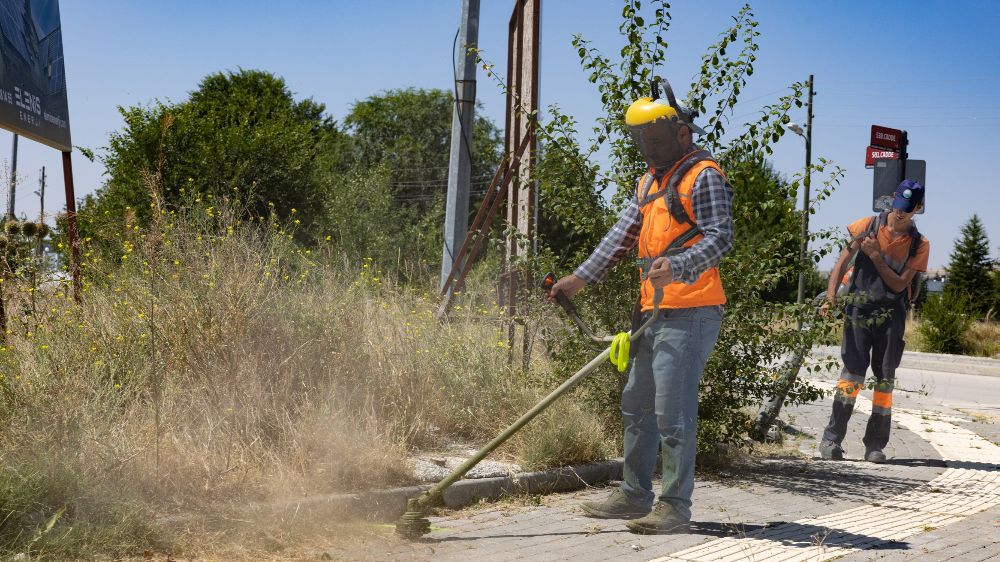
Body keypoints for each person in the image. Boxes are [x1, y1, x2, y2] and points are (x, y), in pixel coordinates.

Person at [548, 79, 733, 535]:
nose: (646, 148)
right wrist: (578, 280)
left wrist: (681, 265)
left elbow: (720, 237)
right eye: (641, 140)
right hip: (652, 312)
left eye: (653, 139)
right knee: (637, 403)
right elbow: (620, 237)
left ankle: (674, 507)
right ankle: (633, 496)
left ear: (681, 135)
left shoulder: (702, 175)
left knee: (673, 411)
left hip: (691, 312)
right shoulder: (650, 180)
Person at [819, 180, 929, 463]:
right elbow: (841, 263)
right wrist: (830, 298)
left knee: (885, 379)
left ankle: (875, 445)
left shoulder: (920, 245)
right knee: (852, 375)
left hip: (892, 315)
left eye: (908, 208)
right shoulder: (867, 226)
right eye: (898, 205)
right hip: (858, 309)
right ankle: (831, 440)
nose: (900, 213)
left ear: (918, 208)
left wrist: (877, 257)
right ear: (893, 199)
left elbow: (898, 284)